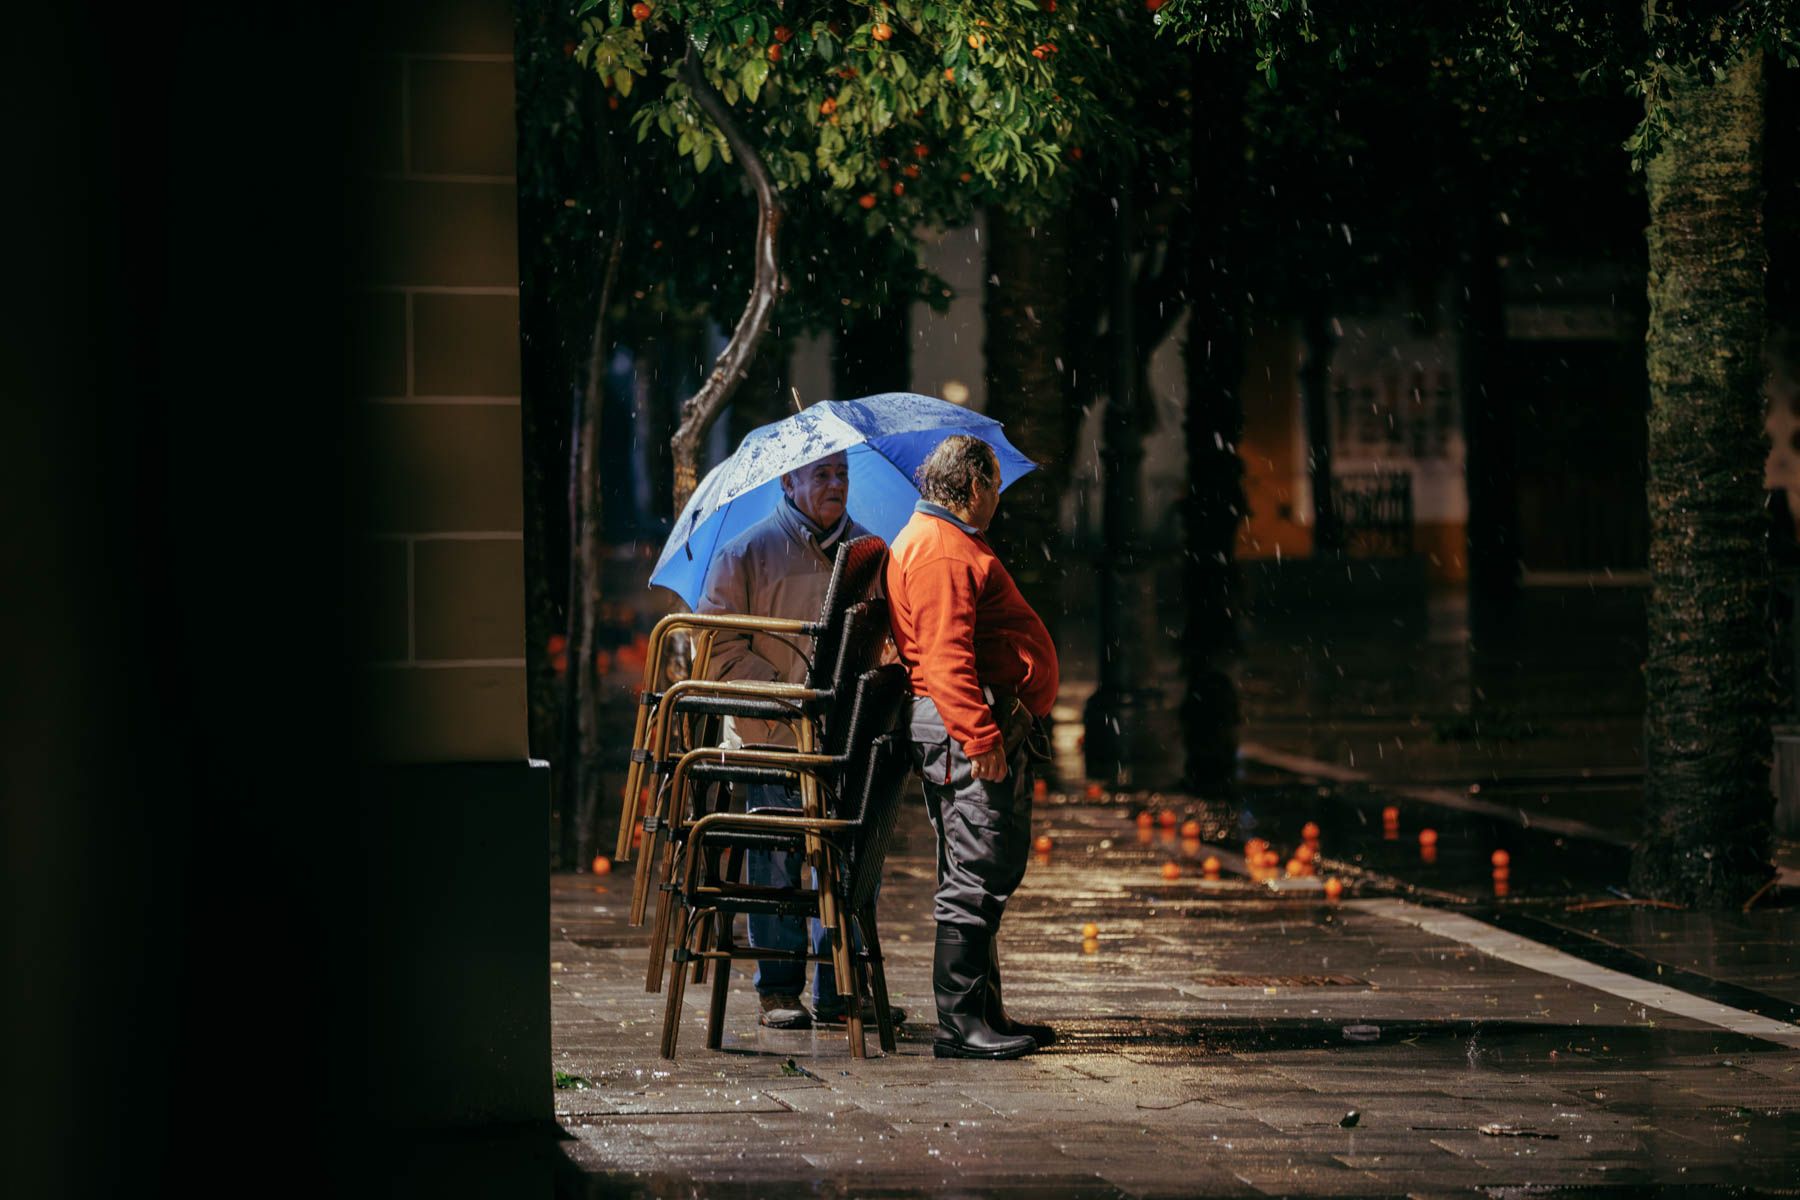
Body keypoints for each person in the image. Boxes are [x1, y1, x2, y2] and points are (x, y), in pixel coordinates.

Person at [696, 449, 905, 1031]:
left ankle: (840, 989)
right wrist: (793, 695)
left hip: (846, 736)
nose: (836, 483)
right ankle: (779, 989)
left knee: (850, 859)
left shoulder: (870, 553)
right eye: (822, 474)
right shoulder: (746, 553)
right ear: (789, 480)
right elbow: (717, 652)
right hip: (773, 737)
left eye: (842, 473)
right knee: (776, 861)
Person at [886, 435, 1059, 1059]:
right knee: (979, 865)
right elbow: (946, 656)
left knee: (984, 861)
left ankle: (982, 1011)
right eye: (995, 486)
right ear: (975, 484)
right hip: (966, 725)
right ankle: (961, 1023)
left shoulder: (947, 543)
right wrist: (981, 736)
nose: (998, 499)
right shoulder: (940, 550)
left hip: (970, 721)